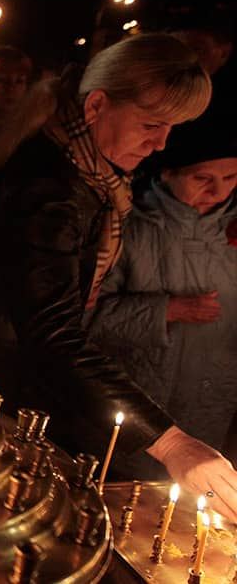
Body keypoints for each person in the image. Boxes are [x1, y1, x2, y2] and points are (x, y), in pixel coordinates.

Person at [0, 33, 237, 519]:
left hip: (1, 386)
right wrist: (173, 444)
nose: (161, 144)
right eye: (151, 125)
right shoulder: (48, 192)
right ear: (96, 105)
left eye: (171, 129)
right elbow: (53, 332)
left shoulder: (87, 171)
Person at [88, 109, 237, 479]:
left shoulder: (232, 235)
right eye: (202, 177)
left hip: (209, 414)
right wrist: (165, 310)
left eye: (232, 176)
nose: (218, 191)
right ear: (167, 172)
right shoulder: (127, 226)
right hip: (138, 415)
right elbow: (85, 320)